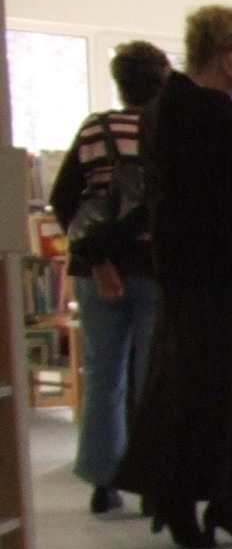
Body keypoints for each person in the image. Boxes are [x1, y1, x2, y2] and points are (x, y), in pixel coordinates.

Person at [113, 6, 232, 549]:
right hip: (209, 266)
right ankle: (187, 498)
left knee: (215, 383)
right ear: (228, 55)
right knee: (205, 386)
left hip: (198, 263)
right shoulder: (201, 108)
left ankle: (223, 498)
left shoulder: (173, 106)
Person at [49, 40, 171, 514]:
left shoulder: (95, 129)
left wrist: (98, 260)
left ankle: (103, 482)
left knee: (103, 376)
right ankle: (152, 480)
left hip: (95, 270)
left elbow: (64, 200)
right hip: (153, 267)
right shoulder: (164, 131)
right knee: (151, 377)